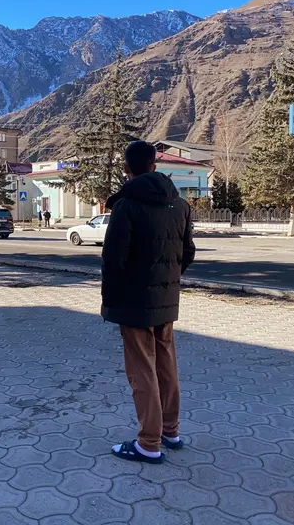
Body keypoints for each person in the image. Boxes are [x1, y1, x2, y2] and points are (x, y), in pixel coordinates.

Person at [101, 141, 195, 464]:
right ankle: (171, 431)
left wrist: (111, 299)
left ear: (127, 170)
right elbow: (187, 253)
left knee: (142, 371)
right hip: (166, 301)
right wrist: (167, 280)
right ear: (154, 167)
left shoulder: (126, 206)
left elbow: (114, 259)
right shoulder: (180, 205)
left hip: (134, 303)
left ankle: (148, 443)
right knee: (166, 365)